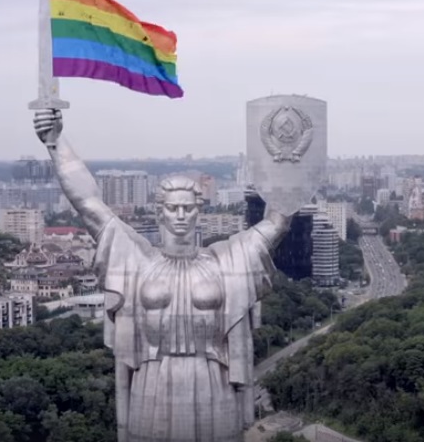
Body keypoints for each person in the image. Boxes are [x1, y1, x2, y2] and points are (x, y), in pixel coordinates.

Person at [33, 109, 291, 442]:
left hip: (211, 378)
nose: (181, 215)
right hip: (151, 380)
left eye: (189, 207)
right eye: (173, 207)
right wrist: (55, 142)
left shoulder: (226, 260)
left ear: (201, 210)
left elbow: (278, 222)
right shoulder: (136, 258)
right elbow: (87, 202)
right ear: (159, 211)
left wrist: (285, 157)